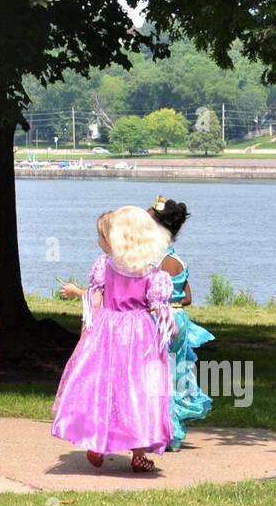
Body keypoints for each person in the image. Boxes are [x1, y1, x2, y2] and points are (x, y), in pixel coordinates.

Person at [51, 207, 175, 473]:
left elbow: (94, 302)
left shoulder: (105, 266)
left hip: (108, 330)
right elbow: (157, 307)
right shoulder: (152, 275)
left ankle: (97, 442)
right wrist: (167, 325)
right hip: (139, 335)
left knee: (102, 385)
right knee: (137, 390)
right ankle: (139, 452)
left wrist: (89, 329)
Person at [148, 195, 214, 449]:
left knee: (160, 375)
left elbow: (154, 295)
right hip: (181, 319)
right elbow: (187, 296)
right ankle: (172, 428)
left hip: (163, 320)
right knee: (177, 374)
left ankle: (168, 432)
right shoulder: (178, 260)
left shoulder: (160, 262)